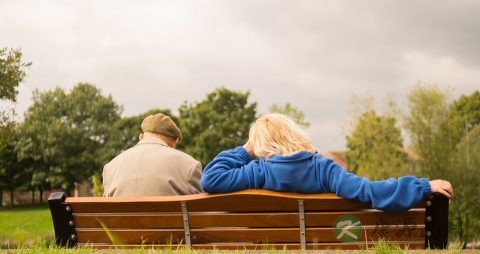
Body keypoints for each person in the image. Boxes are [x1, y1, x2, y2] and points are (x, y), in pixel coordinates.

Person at [200, 113, 453, 212]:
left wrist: (245, 151)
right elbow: (369, 191)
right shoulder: (323, 168)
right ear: (294, 135)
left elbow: (210, 179)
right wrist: (422, 186)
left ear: (260, 145)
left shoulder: (257, 171)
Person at [103, 113, 202, 197]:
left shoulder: (110, 168)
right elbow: (199, 211)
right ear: (174, 141)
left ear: (141, 137)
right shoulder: (190, 166)